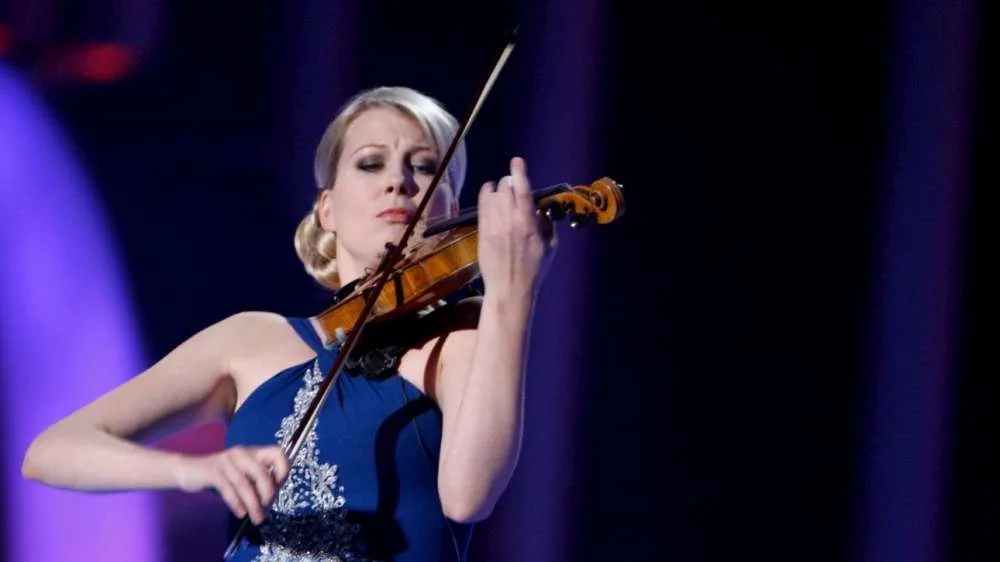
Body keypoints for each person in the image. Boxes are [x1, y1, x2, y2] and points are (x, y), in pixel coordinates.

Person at [21, 85, 557, 561]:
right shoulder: (251, 338)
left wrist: (512, 296)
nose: (398, 181)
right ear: (327, 209)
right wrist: (193, 470)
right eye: (371, 163)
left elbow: (468, 497)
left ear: (451, 208)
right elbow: (52, 452)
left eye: (423, 167)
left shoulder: (462, 335)